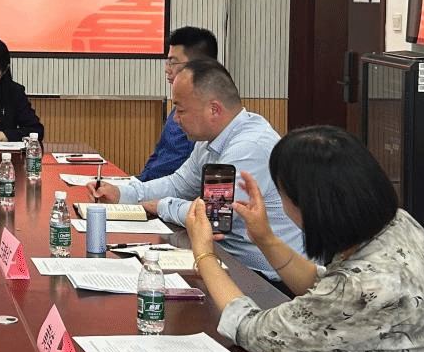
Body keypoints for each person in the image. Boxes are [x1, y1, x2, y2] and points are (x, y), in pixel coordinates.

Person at [187, 126, 424, 352]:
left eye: (280, 193)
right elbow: (326, 288)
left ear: (312, 206)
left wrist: (204, 254)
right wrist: (265, 238)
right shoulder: (398, 222)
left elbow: (251, 330)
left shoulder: (363, 287)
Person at [86, 59, 304, 283]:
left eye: (181, 110)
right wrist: (122, 194)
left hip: (266, 280)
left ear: (214, 109)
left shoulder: (249, 147)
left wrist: (162, 206)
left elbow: (212, 217)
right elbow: (178, 184)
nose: (176, 119)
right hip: (227, 262)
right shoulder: (211, 138)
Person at [137, 26, 216, 181]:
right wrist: (139, 183)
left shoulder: (204, 112)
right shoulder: (180, 105)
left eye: (173, 62)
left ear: (198, 65)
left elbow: (177, 170)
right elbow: (159, 153)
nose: (167, 69)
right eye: (167, 62)